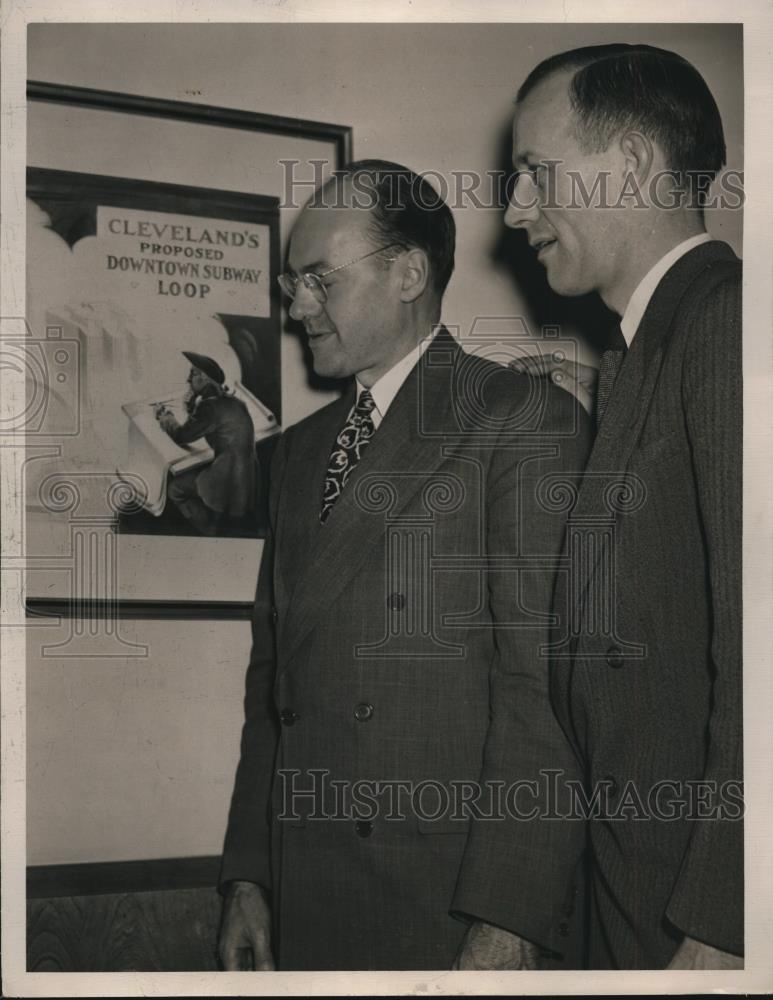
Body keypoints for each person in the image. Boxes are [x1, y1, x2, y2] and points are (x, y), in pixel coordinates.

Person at [217, 160, 592, 971]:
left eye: (317, 279)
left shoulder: (520, 420)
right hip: (306, 899)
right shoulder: (298, 455)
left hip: (448, 908)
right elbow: (270, 686)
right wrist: (250, 875)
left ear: (409, 272)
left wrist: (508, 920)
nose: (295, 308)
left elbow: (546, 695)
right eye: (290, 284)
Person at [505, 44, 743, 969]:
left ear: (635, 166)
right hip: (630, 899)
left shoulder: (723, 327)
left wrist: (723, 924)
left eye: (534, 173)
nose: (516, 209)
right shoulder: (656, 351)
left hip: (691, 919)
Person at [155, 351, 258, 535]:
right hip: (247, 480)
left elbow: (181, 435)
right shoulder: (235, 403)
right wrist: (192, 405)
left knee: (175, 489)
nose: (188, 379)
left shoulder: (208, 407)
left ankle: (209, 531)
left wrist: (165, 417)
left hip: (225, 481)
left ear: (204, 378)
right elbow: (205, 423)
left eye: (193, 374)